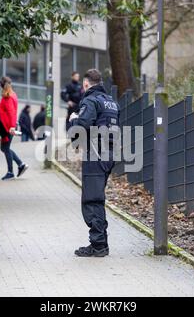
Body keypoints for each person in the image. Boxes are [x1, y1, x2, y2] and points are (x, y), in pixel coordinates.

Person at [68, 69, 120, 257]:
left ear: (86, 84)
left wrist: (73, 121)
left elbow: (81, 128)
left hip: (96, 154)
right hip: (109, 153)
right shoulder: (112, 102)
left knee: (92, 200)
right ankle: (101, 243)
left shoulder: (90, 100)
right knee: (97, 197)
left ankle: (98, 245)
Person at [0, 76, 29, 181]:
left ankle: (11, 171)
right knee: (5, 148)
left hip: (8, 127)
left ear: (0, 85)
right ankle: (20, 165)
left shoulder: (7, 96)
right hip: (9, 126)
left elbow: (11, 112)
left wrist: (12, 126)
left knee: (5, 148)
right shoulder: (12, 94)